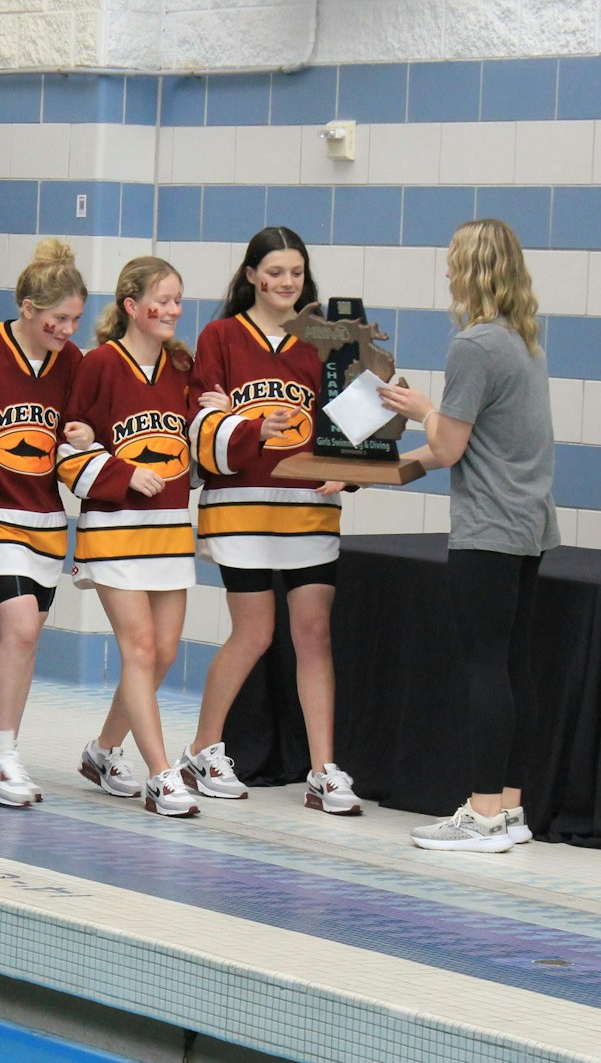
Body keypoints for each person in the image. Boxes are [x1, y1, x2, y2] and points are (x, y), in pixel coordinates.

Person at [380, 218, 557, 853]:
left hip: (489, 527)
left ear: (476, 270)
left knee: (486, 665)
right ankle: (508, 808)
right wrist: (385, 475)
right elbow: (470, 442)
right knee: (513, 664)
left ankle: (481, 815)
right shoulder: (522, 341)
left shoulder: (475, 345)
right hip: (530, 524)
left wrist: (419, 408)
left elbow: (449, 444)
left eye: (454, 262)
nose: (447, 273)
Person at [181, 226, 361, 815]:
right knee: (254, 633)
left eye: (296, 272)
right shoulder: (220, 337)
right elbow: (202, 427)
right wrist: (230, 421)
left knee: (314, 635)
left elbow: (352, 427)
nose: (287, 282)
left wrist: (350, 467)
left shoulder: (329, 339)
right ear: (252, 274)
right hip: (241, 510)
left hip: (309, 509)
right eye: (276, 271)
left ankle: (323, 771)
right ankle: (203, 747)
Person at [59, 257, 201, 817]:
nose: (170, 310)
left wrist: (216, 416)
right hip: (114, 528)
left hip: (169, 529)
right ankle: (161, 775)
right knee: (139, 648)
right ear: (131, 307)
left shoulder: (183, 366)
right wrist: (121, 473)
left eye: (177, 300)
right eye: (160, 300)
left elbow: (199, 441)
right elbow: (67, 448)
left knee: (162, 653)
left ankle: (102, 751)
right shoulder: (99, 365)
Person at [0, 241, 91, 807]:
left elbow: (82, 431)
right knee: (21, 630)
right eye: (58, 318)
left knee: (27, 639)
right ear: (27, 308)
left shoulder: (75, 363)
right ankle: (1, 754)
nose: (66, 329)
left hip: (45, 518)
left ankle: (3, 752)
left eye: (75, 320)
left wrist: (83, 434)